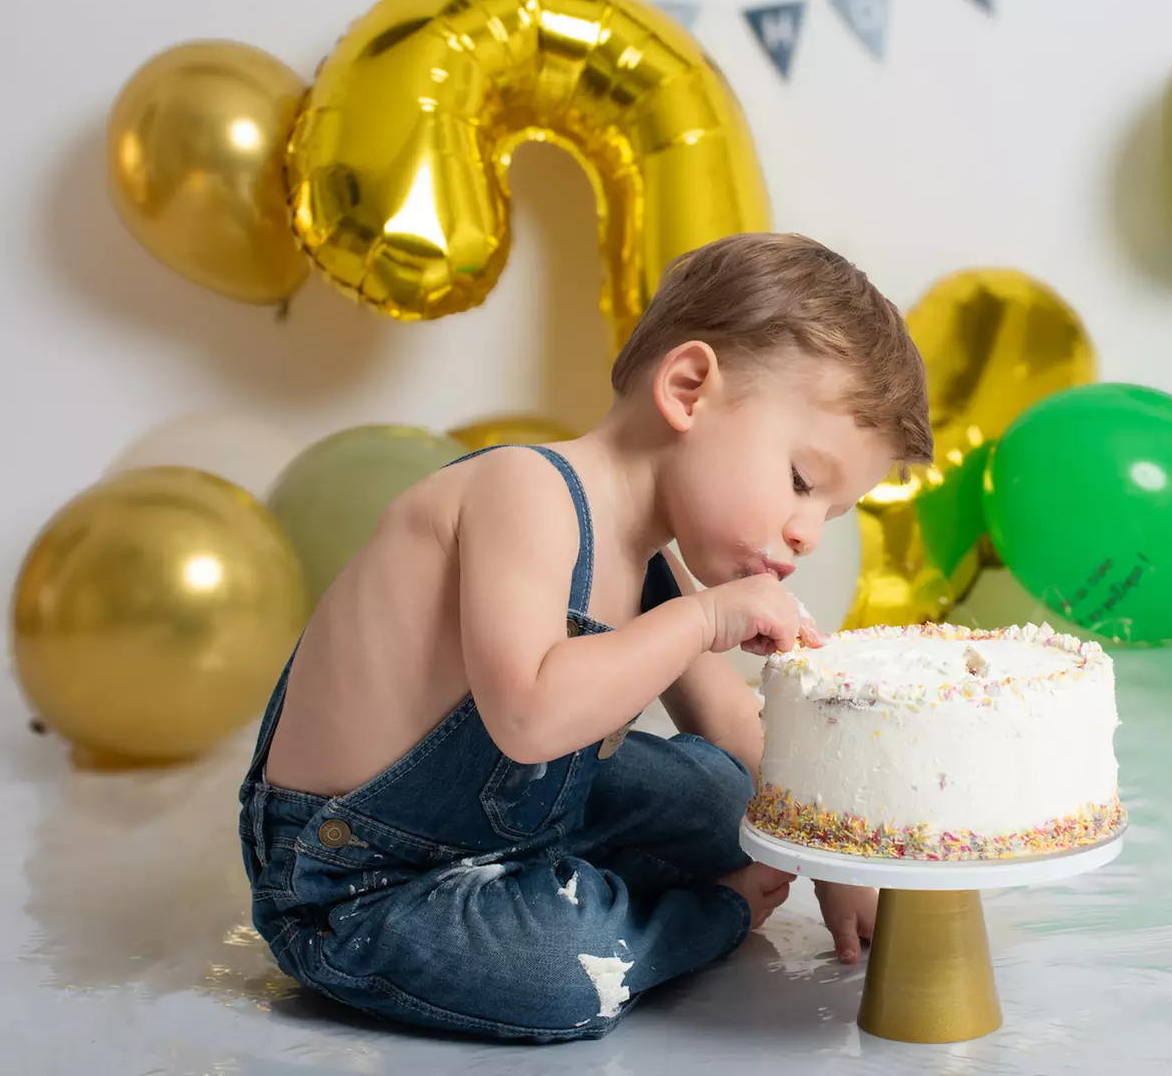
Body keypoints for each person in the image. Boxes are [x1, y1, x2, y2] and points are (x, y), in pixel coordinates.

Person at [238, 232, 934, 1041]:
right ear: (687, 387)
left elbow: (740, 732)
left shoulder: (649, 566)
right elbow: (529, 716)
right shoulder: (524, 490)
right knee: (557, 972)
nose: (809, 532)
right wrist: (705, 618)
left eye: (830, 513)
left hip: (520, 828)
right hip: (362, 877)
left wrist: (830, 861)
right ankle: (692, 919)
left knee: (729, 797)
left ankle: (569, 883)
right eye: (802, 482)